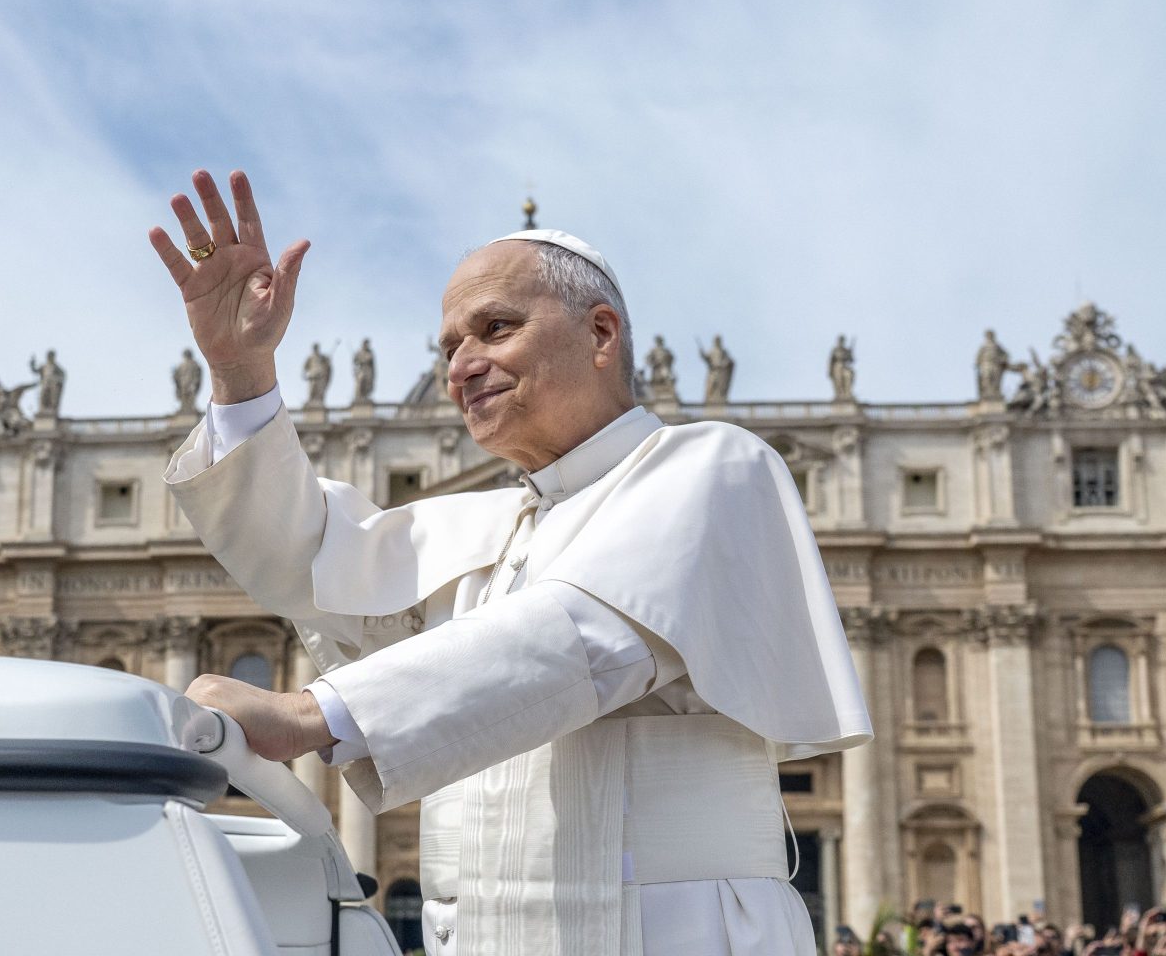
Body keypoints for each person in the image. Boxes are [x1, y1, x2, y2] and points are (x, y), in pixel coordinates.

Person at [149, 169, 872, 956]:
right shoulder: (486, 526)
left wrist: (308, 715)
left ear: (601, 334)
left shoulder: (716, 467)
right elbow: (305, 557)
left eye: (495, 329)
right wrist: (243, 372)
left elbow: (584, 637)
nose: (461, 365)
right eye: (450, 345)